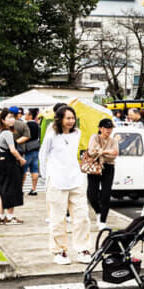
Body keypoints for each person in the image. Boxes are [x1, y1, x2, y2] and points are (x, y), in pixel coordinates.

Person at [40, 106, 91, 264]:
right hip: (56, 181)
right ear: (60, 119)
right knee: (57, 218)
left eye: (72, 117)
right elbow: (43, 156)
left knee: (82, 217)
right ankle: (59, 251)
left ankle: (83, 249)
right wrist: (45, 176)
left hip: (76, 179)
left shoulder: (77, 133)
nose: (70, 121)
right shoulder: (51, 136)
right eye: (67, 118)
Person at [84, 118, 120, 231]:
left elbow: (115, 154)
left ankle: (103, 221)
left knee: (106, 194)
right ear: (100, 128)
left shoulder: (113, 140)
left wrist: (102, 152)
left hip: (108, 167)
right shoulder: (95, 137)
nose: (108, 130)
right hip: (94, 166)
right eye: (106, 128)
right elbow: (91, 151)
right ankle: (98, 211)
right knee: (91, 194)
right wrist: (107, 152)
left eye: (110, 128)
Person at [0, 111, 26, 224]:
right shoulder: (7, 133)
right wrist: (20, 159)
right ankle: (10, 216)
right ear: (3, 120)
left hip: (1, 161)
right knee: (11, 189)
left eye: (13, 117)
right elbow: (13, 150)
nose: (12, 119)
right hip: (9, 163)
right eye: (9, 117)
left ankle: (1, 216)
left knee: (3, 189)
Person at [23, 108, 42, 196]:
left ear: (30, 115)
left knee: (23, 169)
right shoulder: (38, 125)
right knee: (34, 169)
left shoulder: (26, 125)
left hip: (27, 149)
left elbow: (25, 137)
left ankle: (20, 188)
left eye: (26, 114)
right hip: (36, 148)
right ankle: (33, 189)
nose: (25, 116)